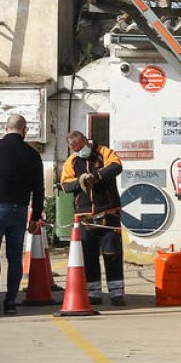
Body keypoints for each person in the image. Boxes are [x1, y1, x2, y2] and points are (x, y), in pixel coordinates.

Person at [0, 114, 45, 316]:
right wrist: (35, 216)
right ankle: (11, 302)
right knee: (15, 258)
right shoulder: (32, 155)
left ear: (6, 128)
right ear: (25, 130)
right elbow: (38, 189)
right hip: (20, 211)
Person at [60, 131, 126, 306]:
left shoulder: (104, 152)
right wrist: (80, 181)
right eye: (76, 149)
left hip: (108, 212)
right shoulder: (72, 161)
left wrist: (96, 176)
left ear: (86, 141)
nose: (80, 151)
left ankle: (117, 293)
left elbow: (117, 167)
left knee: (112, 253)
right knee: (89, 256)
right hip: (84, 216)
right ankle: (94, 292)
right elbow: (65, 185)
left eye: (82, 147)